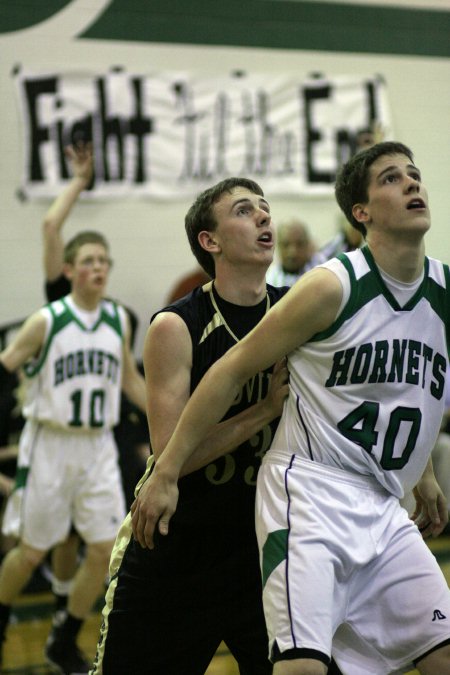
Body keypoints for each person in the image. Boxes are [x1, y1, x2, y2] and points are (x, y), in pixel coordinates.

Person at [129, 142, 450, 674]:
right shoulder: (327, 287)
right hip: (300, 500)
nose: (413, 183)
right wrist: (163, 473)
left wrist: (423, 474)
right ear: (360, 213)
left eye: (415, 174)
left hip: (377, 503)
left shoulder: (438, 290)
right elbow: (228, 370)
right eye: (393, 178)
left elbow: (413, 385)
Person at [91, 177, 291, 675]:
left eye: (265, 208)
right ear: (211, 240)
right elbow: (172, 457)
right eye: (245, 211)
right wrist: (264, 410)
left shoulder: (294, 311)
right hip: (180, 546)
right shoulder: (175, 326)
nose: (264, 217)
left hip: (265, 546)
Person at [0, 230, 147, 674]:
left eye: (104, 260)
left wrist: (173, 421)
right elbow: (4, 370)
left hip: (98, 445)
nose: (99, 267)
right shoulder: (47, 320)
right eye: (89, 260)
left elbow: (129, 380)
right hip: (50, 443)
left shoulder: (118, 319)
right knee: (30, 553)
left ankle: (62, 639)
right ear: (69, 270)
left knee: (104, 551)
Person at [266, 218, 320, 287]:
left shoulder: (321, 274)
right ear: (277, 246)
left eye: (299, 244)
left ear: (308, 245)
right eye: (286, 245)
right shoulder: (269, 282)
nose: (293, 252)